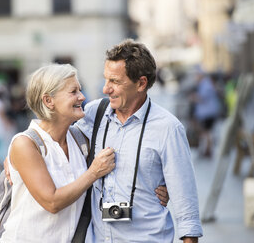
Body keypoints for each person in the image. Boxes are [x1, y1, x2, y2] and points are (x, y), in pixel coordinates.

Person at [0, 64, 169, 243]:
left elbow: (126, 153)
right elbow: (52, 202)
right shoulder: (25, 144)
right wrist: (93, 172)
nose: (82, 96)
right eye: (73, 92)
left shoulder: (80, 139)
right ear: (49, 101)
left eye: (80, 90)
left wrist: (156, 186)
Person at [75, 39, 203, 242]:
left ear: (141, 83)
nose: (105, 89)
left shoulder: (168, 128)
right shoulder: (94, 113)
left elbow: (187, 211)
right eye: (106, 80)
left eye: (115, 82)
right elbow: (54, 138)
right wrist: (19, 152)